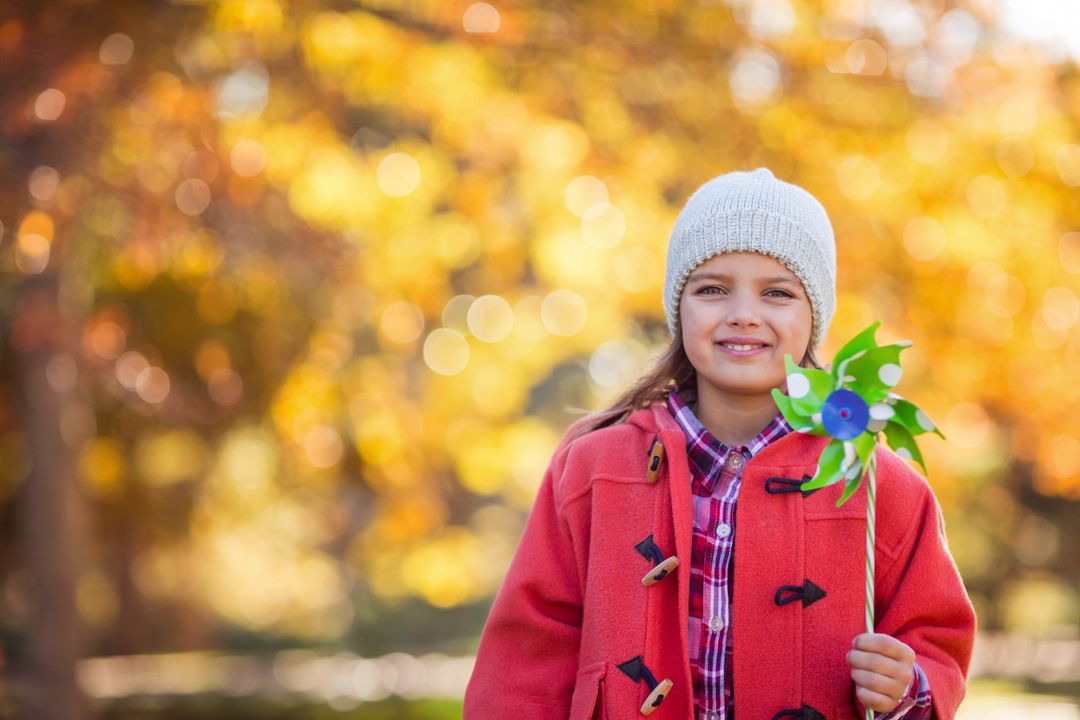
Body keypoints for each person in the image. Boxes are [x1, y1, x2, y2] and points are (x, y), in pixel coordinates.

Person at [463, 168, 976, 720]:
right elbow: (526, 658)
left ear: (814, 316)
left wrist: (908, 687)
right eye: (711, 289)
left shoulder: (877, 483)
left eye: (777, 293)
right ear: (677, 307)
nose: (743, 314)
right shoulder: (592, 465)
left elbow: (936, 642)